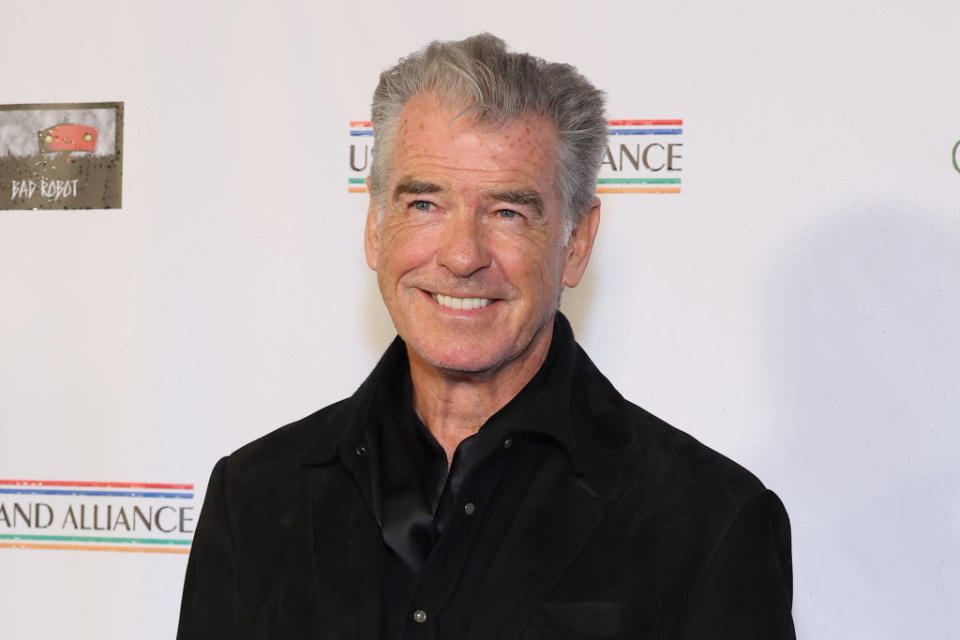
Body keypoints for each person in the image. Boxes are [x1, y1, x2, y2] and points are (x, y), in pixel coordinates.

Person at [177, 34, 795, 640]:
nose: (463, 255)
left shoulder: (710, 523)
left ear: (576, 243)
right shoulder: (253, 497)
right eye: (425, 204)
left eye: (507, 212)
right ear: (374, 228)